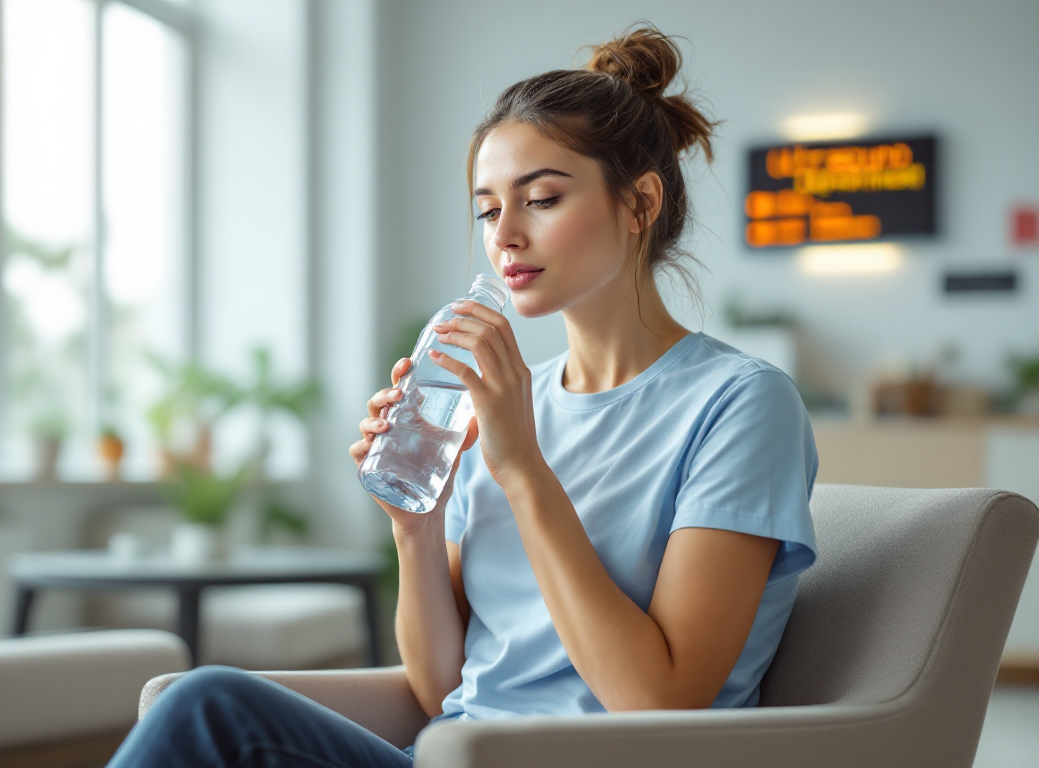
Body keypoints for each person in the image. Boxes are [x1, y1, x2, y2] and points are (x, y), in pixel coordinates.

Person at [105, 23, 817, 768]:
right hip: (451, 754)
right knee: (208, 706)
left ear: (639, 204)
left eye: (540, 199)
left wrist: (522, 469)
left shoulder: (741, 405)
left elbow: (661, 702)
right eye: (486, 210)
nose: (504, 234)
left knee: (212, 710)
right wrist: (417, 522)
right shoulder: (505, 401)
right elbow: (439, 688)